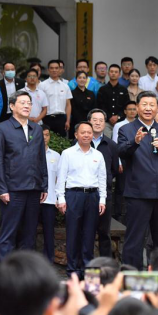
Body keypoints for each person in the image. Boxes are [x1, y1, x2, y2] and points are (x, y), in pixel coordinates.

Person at [117, 91, 158, 269]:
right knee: (135, 238)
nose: (148, 108)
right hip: (138, 193)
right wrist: (135, 142)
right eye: (144, 104)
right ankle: (132, 275)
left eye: (152, 105)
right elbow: (121, 152)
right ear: (137, 107)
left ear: (157, 107)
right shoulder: (126, 130)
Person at [0, 90, 48, 262]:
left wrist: (44, 185)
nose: (27, 106)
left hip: (34, 189)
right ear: (12, 106)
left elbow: (41, 158)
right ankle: (3, 273)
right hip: (13, 190)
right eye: (22, 103)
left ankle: (25, 273)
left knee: (29, 235)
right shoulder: (2, 129)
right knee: (8, 234)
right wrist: (2, 189)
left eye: (29, 103)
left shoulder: (36, 129)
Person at [56, 121, 107, 277]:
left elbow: (102, 178)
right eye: (83, 132)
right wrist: (61, 198)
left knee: (89, 234)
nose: (86, 135)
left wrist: (102, 199)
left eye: (89, 132)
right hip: (74, 195)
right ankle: (72, 270)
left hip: (93, 196)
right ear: (76, 135)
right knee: (73, 233)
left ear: (92, 135)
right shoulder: (67, 153)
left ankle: (88, 271)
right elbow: (61, 177)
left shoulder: (98, 155)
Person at [87, 109, 119, 258]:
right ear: (89, 122)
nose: (98, 123)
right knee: (86, 230)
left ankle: (106, 265)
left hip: (104, 193)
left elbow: (114, 169)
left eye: (101, 120)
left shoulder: (111, 145)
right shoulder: (80, 142)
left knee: (104, 232)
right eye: (95, 120)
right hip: (84, 192)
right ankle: (84, 264)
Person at [112, 101, 137, 223]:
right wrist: (119, 162)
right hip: (122, 159)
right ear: (125, 111)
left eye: (134, 109)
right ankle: (117, 213)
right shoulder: (119, 125)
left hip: (136, 160)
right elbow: (115, 144)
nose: (132, 111)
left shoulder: (140, 125)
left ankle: (130, 214)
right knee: (120, 187)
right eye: (130, 109)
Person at [40, 125, 60, 264]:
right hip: (32, 199)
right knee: (28, 231)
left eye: (47, 135)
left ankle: (49, 261)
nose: (44, 138)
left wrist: (59, 198)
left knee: (49, 232)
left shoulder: (56, 156)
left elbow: (59, 179)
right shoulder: (30, 153)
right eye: (42, 135)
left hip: (51, 200)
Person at [39, 59, 73, 137]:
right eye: (52, 68)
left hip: (61, 119)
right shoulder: (42, 85)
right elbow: (39, 103)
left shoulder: (65, 86)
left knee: (61, 141)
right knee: (46, 140)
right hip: (46, 118)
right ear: (48, 70)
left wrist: (68, 121)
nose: (54, 70)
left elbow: (68, 105)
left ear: (60, 70)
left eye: (56, 68)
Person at [97, 64, 129, 138]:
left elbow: (126, 105)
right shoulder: (102, 89)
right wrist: (109, 117)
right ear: (108, 73)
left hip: (120, 121)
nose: (113, 73)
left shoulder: (124, 89)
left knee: (120, 141)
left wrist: (118, 116)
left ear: (119, 74)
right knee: (106, 141)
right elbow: (100, 105)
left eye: (116, 72)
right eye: (111, 71)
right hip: (106, 122)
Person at [70, 71, 96, 136]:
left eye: (84, 78)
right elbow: (73, 109)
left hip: (89, 123)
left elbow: (93, 109)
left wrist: (89, 121)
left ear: (86, 80)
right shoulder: (72, 93)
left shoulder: (91, 94)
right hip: (76, 123)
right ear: (76, 80)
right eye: (80, 78)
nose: (82, 80)